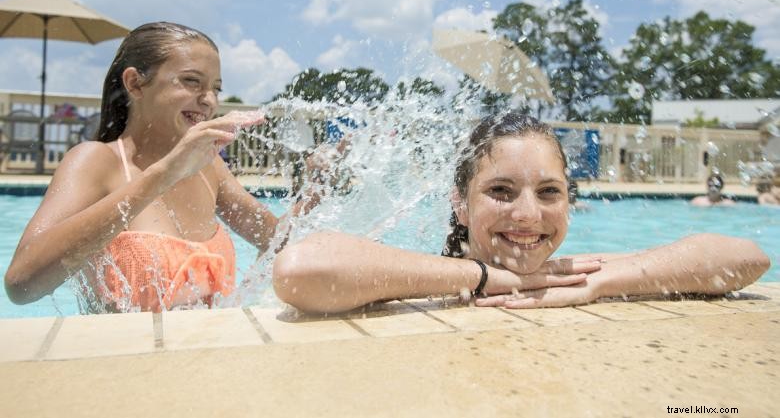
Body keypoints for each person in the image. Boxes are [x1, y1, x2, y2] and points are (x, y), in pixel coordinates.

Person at [272, 112, 770, 314]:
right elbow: (300, 270)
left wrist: (598, 284)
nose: (529, 215)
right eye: (502, 191)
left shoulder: (572, 275)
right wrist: (483, 277)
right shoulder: (417, 275)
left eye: (550, 192)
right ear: (460, 204)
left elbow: (743, 257)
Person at [4, 22, 318, 312]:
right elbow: (22, 285)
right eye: (191, 81)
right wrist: (164, 174)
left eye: (216, 88)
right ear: (135, 84)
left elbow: (277, 240)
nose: (208, 99)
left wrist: (318, 187)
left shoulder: (210, 171)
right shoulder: (97, 162)